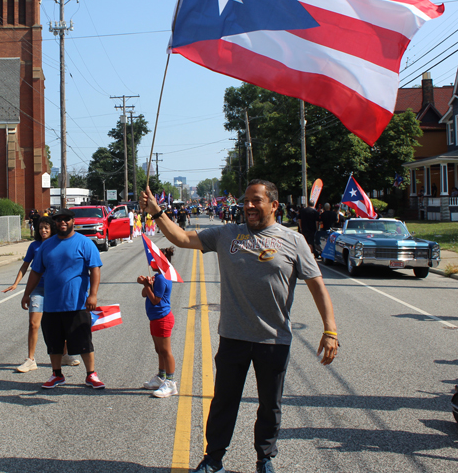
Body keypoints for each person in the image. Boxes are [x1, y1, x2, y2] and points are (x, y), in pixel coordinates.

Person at [140, 179, 338, 473]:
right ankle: (214, 459)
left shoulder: (294, 241)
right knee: (224, 403)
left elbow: (317, 286)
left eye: (256, 201)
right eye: (246, 200)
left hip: (274, 340)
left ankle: (265, 459)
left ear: (273, 205)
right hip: (233, 337)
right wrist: (157, 212)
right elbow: (181, 238)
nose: (248, 206)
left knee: (270, 406)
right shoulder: (226, 234)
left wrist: (330, 330)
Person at [21, 208, 105, 389]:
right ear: (55, 223)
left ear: (73, 221)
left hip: (76, 303)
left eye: (66, 219)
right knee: (54, 343)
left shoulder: (85, 243)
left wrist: (93, 295)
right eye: (59, 220)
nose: (63, 222)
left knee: (83, 342)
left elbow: (95, 269)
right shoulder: (46, 245)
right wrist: (26, 294)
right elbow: (36, 272)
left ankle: (91, 374)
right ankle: (57, 374)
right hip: (51, 304)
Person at [138, 246, 177, 398]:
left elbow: (155, 300)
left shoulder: (162, 278)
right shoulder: (158, 277)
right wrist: (147, 284)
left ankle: (171, 382)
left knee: (166, 351)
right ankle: (161, 377)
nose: (150, 262)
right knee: (159, 350)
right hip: (155, 318)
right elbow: (144, 294)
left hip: (162, 318)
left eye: (153, 260)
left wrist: (147, 285)